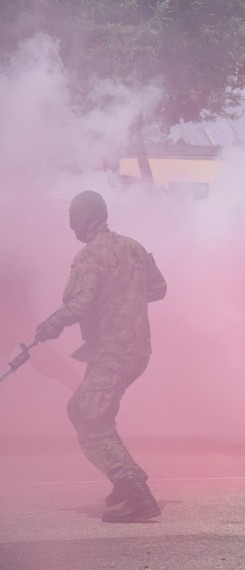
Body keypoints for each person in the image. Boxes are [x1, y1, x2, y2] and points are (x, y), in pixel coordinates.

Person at [34, 190, 167, 523]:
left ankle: (136, 493)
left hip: (111, 353)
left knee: (92, 424)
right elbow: (159, 288)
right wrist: (125, 295)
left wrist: (48, 327)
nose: (70, 225)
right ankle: (126, 476)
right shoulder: (134, 248)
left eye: (71, 218)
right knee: (79, 409)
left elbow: (79, 303)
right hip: (137, 351)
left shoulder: (89, 256)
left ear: (84, 217)